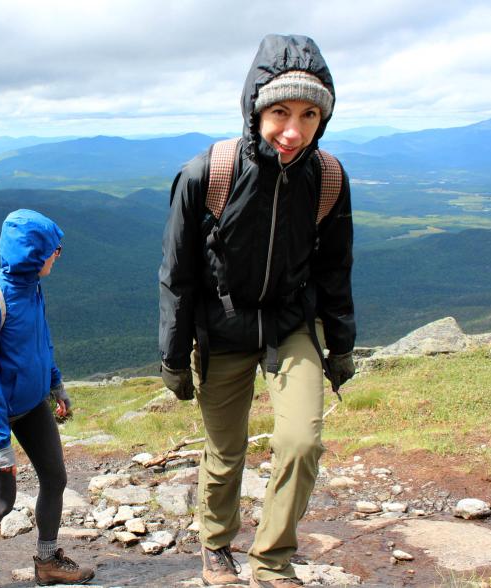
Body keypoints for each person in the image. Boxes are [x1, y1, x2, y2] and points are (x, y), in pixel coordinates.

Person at [158, 34, 356, 588]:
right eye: (280, 111)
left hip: (291, 323)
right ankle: (216, 546)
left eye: (310, 114)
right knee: (226, 450)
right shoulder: (209, 173)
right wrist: (173, 357)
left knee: (301, 442)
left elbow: (335, 268)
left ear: (323, 117)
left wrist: (340, 345)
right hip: (222, 325)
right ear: (255, 109)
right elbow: (177, 273)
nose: (293, 130)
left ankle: (272, 562)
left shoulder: (329, 178)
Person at [0, 209, 94, 588]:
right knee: (3, 500)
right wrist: (1, 443)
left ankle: (48, 562)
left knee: (55, 478)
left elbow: (41, 343)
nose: (58, 256)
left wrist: (56, 386)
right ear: (35, 253)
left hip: (32, 403)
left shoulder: (34, 286)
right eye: (55, 250)